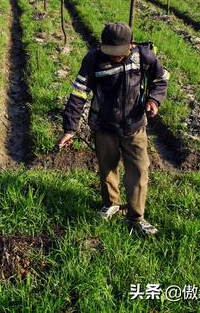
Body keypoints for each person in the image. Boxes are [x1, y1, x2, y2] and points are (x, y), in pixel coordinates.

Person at [56, 22, 169, 237]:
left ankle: (136, 217)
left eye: (120, 53)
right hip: (104, 125)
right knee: (107, 168)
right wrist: (70, 128)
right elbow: (79, 93)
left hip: (135, 126)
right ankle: (111, 203)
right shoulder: (93, 59)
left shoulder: (144, 56)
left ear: (131, 45)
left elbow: (161, 79)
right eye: (111, 52)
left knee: (138, 170)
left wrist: (154, 100)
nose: (115, 57)